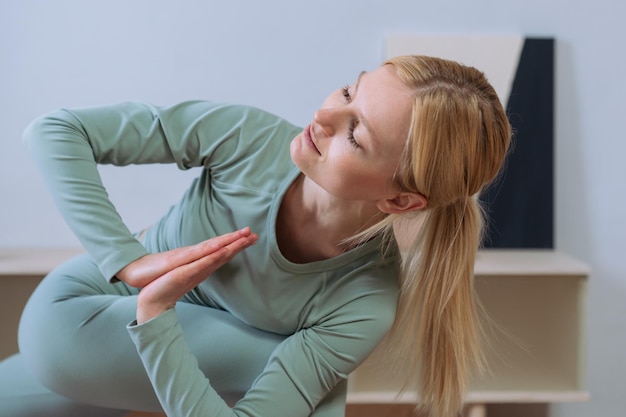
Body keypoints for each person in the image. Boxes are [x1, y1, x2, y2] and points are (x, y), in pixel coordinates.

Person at [0, 55, 511, 417]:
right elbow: (54, 130)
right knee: (319, 397)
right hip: (79, 310)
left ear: (400, 201)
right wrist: (130, 263)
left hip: (137, 347)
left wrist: (157, 315)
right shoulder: (245, 138)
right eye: (349, 91)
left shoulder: (363, 301)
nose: (323, 116)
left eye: (356, 132)